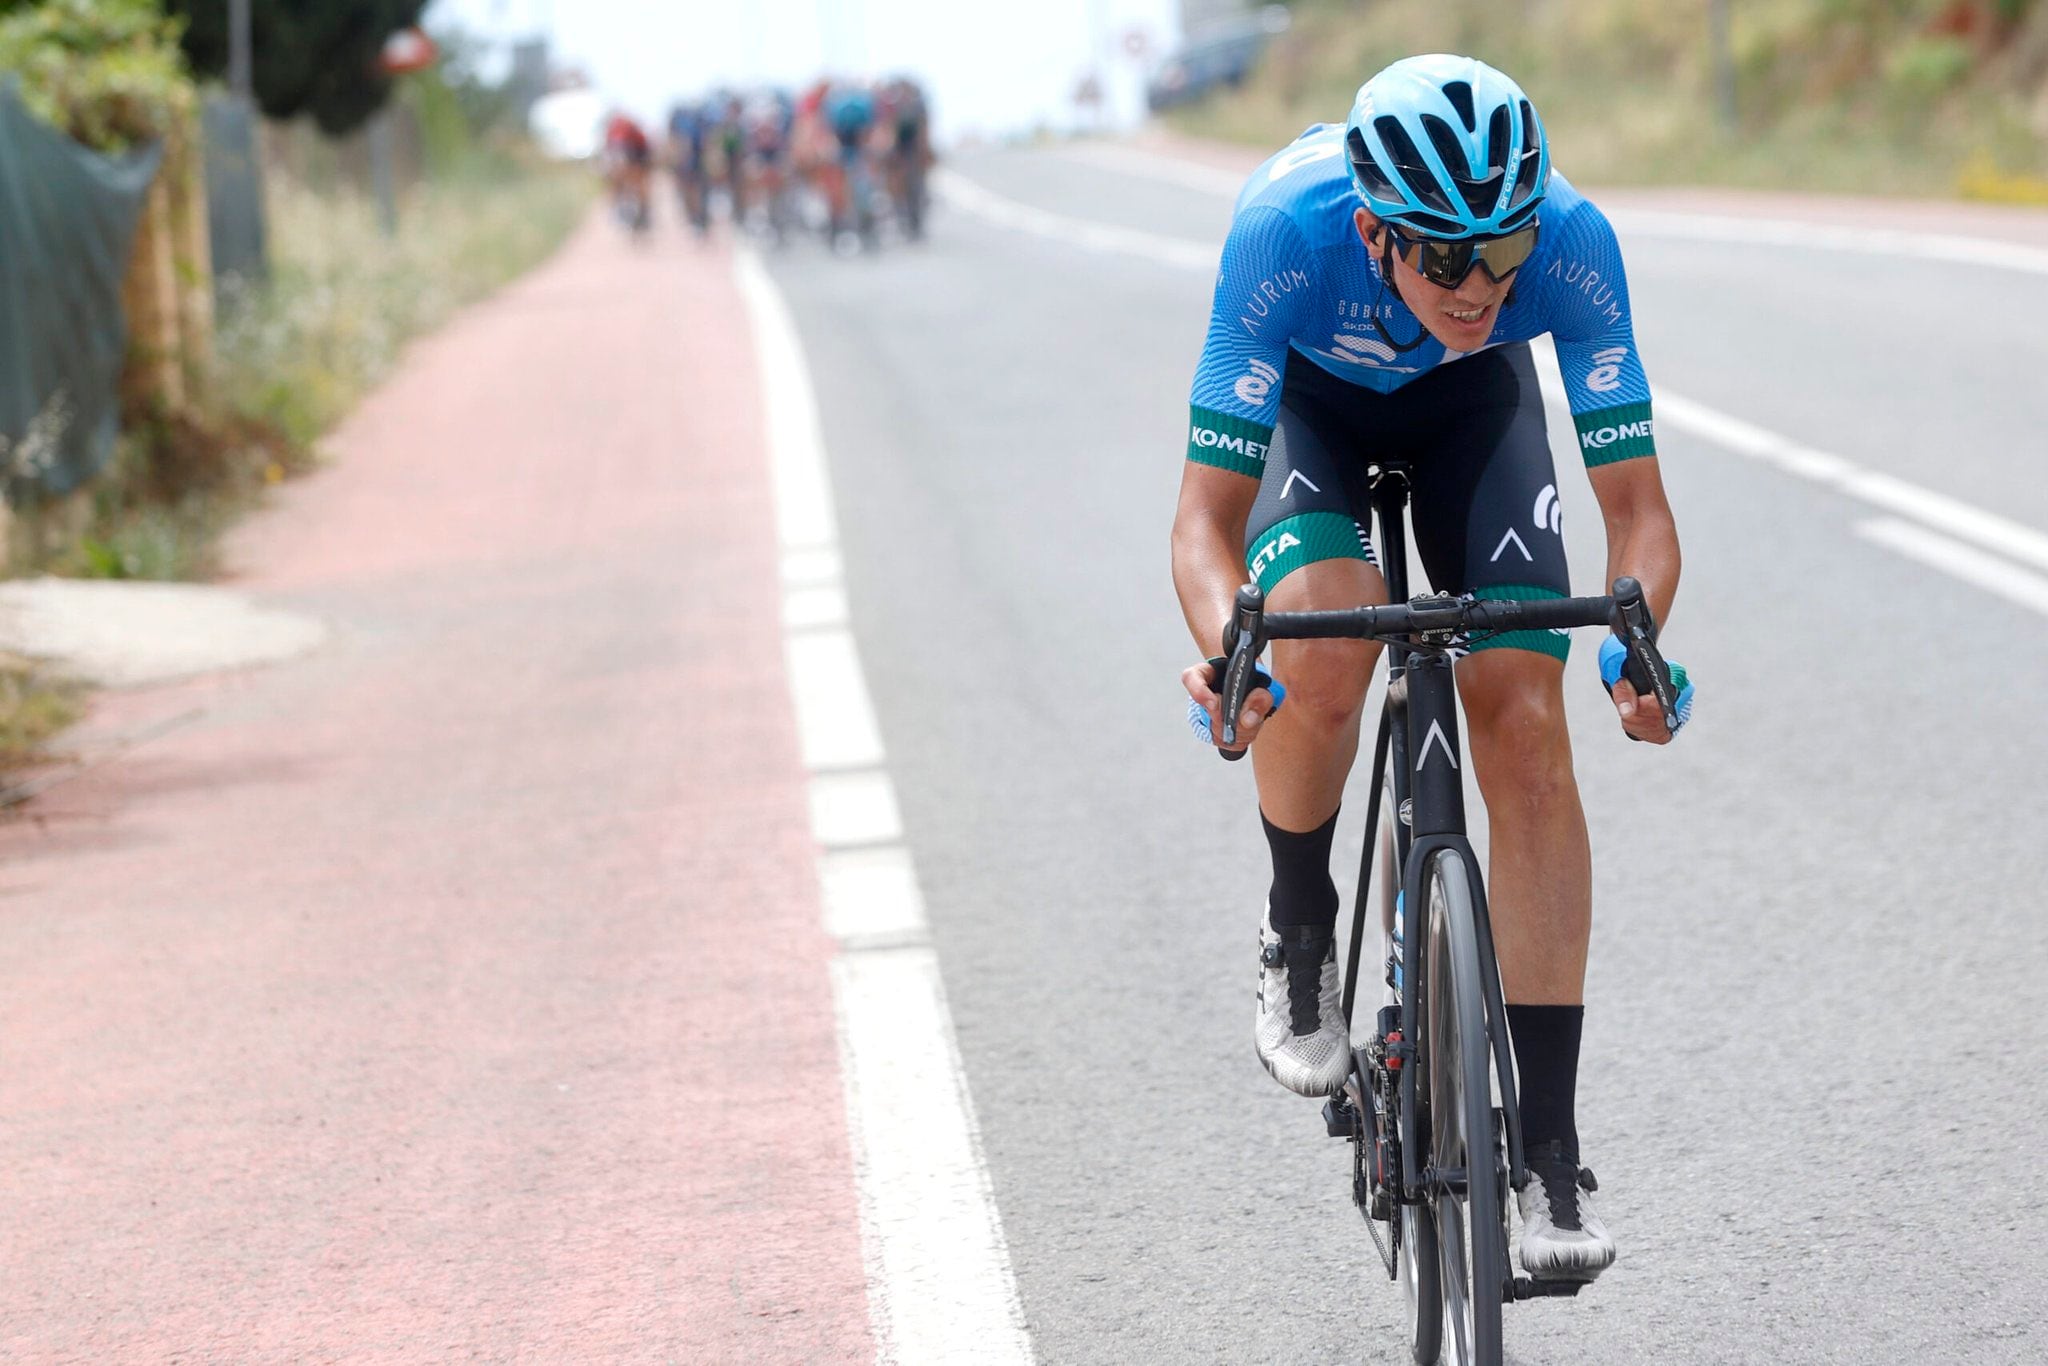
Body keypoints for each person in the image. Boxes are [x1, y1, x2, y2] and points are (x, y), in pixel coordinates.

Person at [1170, 54, 1689, 1284]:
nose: (1478, 285)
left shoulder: (1568, 244)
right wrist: (1227, 650)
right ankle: (1300, 918)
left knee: (1525, 724)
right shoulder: (1282, 237)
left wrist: (1637, 642)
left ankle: (1548, 1153)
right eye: (1444, 259)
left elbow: (1641, 518)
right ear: (1373, 231)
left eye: (1499, 255)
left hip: (1472, 416)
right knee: (1324, 637)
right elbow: (1200, 524)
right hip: (1316, 412)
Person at [601, 110, 653, 230]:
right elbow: (611, 153)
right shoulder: (613, 131)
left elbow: (643, 151)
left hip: (639, 153)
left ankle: (644, 210)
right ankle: (624, 206)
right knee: (617, 178)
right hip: (626, 152)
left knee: (640, 181)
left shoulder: (630, 130)